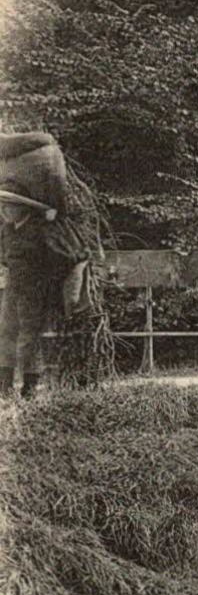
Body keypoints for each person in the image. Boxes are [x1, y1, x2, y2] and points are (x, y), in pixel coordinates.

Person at [0, 132, 71, 399]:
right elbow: (4, 257)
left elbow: (54, 257)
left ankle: (29, 387)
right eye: (4, 206)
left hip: (34, 288)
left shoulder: (38, 230)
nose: (6, 211)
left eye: (10, 206)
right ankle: (5, 386)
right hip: (14, 286)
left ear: (24, 208)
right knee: (5, 331)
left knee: (29, 335)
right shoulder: (7, 231)